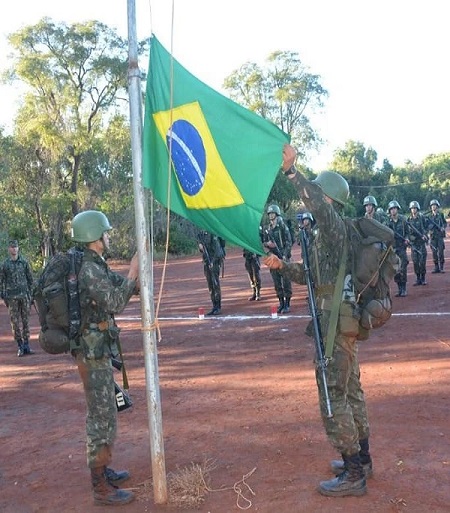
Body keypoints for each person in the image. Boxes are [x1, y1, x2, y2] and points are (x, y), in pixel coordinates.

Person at [264, 144, 373, 498]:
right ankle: (364, 459)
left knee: (334, 394)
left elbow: (316, 206)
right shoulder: (328, 237)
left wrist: (293, 173)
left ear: (328, 201)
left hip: (334, 327)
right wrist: (283, 266)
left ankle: (354, 472)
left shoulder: (333, 227)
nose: (311, 205)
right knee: (351, 389)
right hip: (341, 321)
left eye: (318, 198)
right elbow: (312, 277)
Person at [70, 210, 139, 506]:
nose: (108, 236)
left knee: (106, 411)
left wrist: (136, 277)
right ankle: (99, 487)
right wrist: (134, 272)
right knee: (101, 416)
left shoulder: (96, 264)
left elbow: (120, 287)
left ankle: (104, 469)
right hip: (91, 351)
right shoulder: (88, 269)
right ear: (95, 237)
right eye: (106, 232)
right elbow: (114, 301)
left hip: (98, 350)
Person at [0, 240, 34, 357]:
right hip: (12, 297)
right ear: (9, 249)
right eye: (12, 247)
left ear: (18, 248)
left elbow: (30, 279)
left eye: (16, 247)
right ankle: (19, 345)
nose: (14, 249)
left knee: (25, 321)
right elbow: (1, 280)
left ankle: (26, 345)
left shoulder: (24, 262)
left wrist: (31, 294)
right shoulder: (5, 264)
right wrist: (3, 294)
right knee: (14, 322)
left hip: (24, 296)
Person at [262, 204, 293, 313]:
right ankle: (281, 303)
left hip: (283, 257)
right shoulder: (267, 228)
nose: (271, 215)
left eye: (273, 213)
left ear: (277, 214)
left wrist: (285, 254)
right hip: (273, 257)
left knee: (286, 281)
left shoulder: (282, 225)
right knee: (276, 282)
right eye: (269, 214)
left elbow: (289, 241)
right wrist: (268, 245)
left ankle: (287, 303)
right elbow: (264, 242)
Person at [197, 230, 225, 315]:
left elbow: (218, 252)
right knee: (210, 285)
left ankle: (218, 306)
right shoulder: (202, 234)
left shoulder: (213, 234)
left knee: (215, 284)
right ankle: (214, 306)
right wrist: (200, 247)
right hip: (207, 262)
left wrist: (212, 262)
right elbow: (203, 249)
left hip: (214, 262)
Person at [387, 201, 410, 297]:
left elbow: (408, 232)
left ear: (397, 209)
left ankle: (404, 288)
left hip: (402, 248)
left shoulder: (403, 220)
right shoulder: (387, 223)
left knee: (403, 268)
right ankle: (399, 288)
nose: (393, 210)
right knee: (395, 270)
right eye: (391, 209)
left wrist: (407, 239)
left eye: (395, 208)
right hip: (393, 249)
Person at [407, 201, 428, 285]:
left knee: (422, 262)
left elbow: (426, 228)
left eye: (415, 208)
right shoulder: (408, 220)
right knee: (415, 262)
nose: (413, 210)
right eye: (412, 208)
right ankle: (418, 278)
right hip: (414, 244)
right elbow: (408, 233)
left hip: (421, 243)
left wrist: (425, 235)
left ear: (417, 209)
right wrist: (412, 238)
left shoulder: (422, 218)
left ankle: (423, 278)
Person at [427, 199, 447, 273]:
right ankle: (436, 267)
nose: (433, 207)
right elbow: (426, 226)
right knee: (434, 252)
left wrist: (442, 228)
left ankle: (441, 267)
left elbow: (445, 223)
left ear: (437, 206)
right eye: (432, 206)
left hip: (440, 236)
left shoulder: (440, 215)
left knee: (441, 252)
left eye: (435, 205)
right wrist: (430, 227)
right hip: (433, 237)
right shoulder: (429, 216)